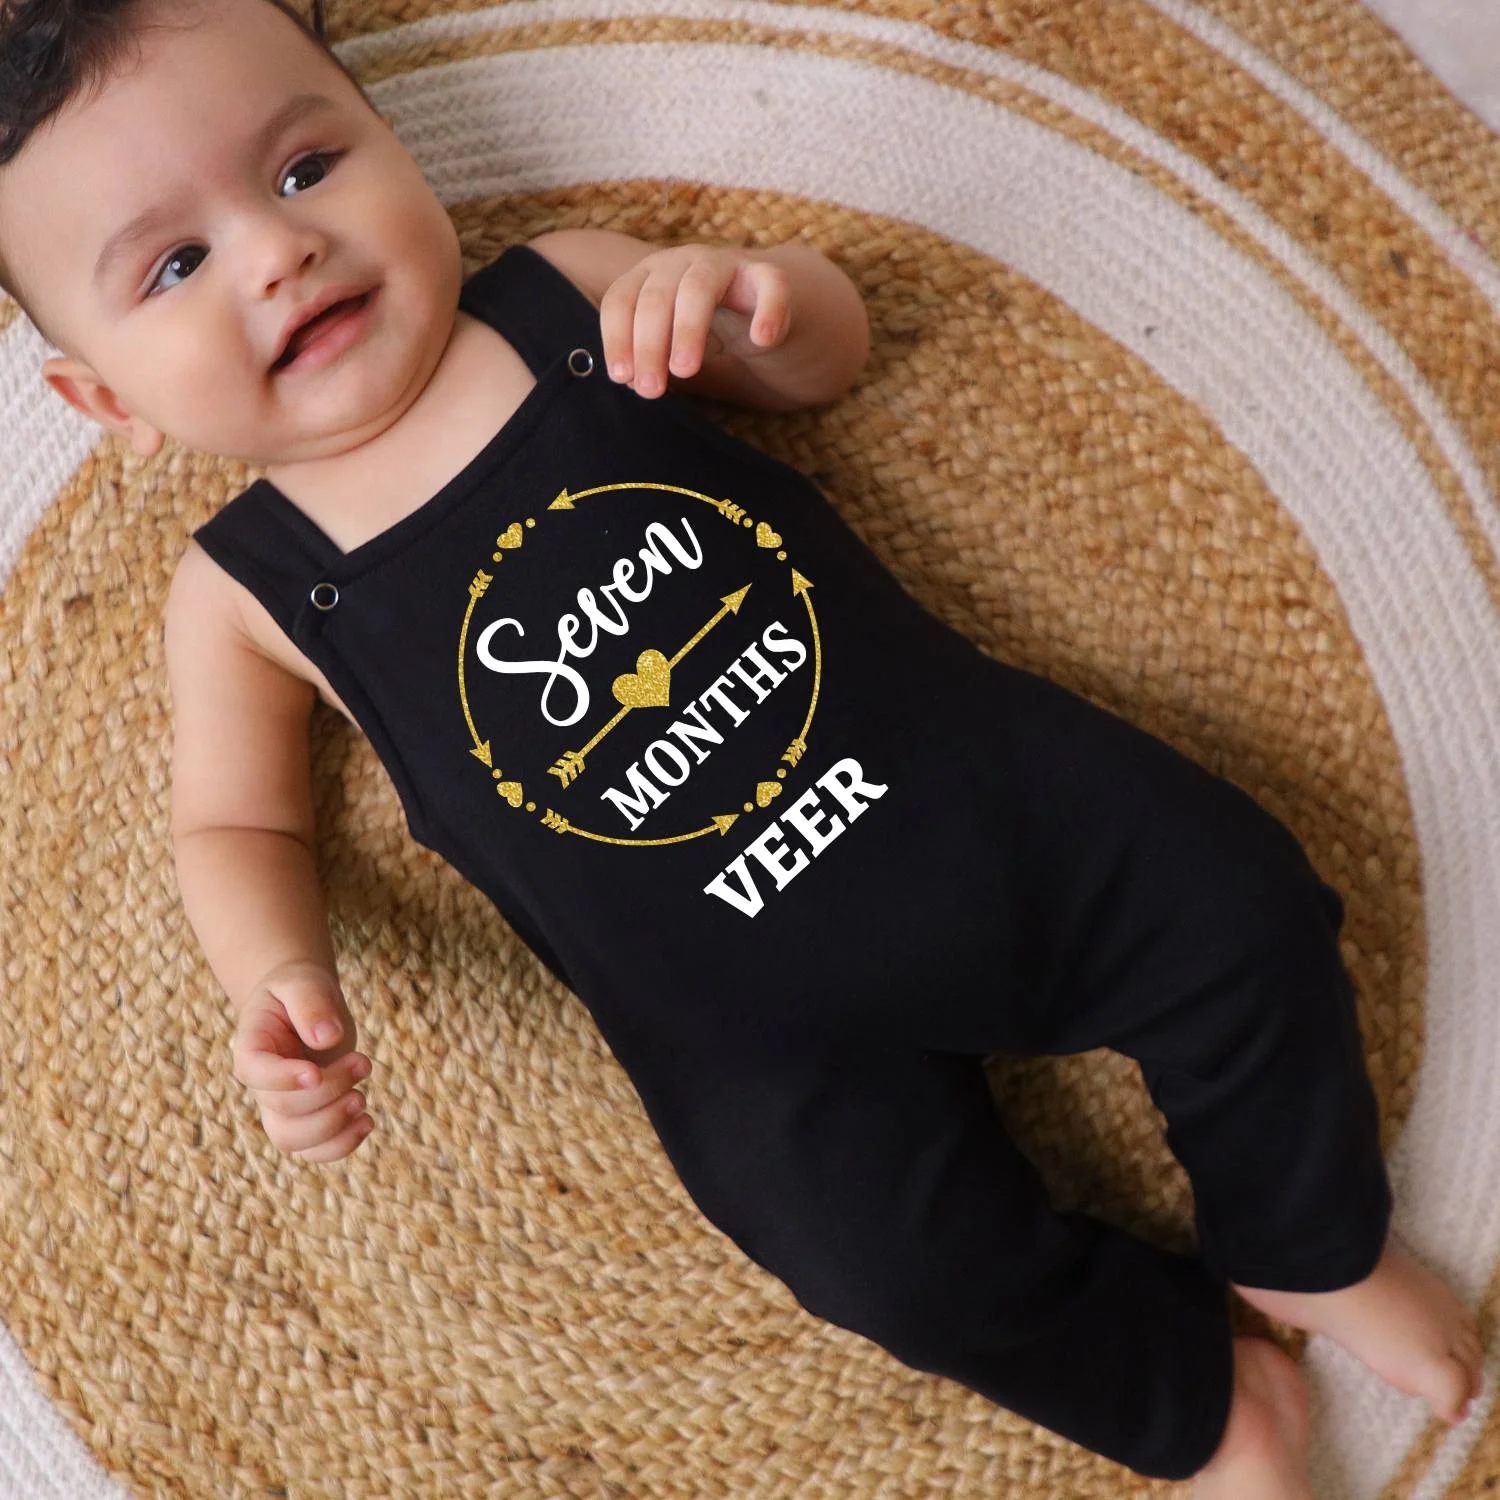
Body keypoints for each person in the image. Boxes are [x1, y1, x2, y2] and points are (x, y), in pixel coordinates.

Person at [0, 0, 1484, 1490]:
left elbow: (820, 359)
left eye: (306, 167)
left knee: (1239, 906)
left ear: (391, 140)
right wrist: (277, 979)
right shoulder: (245, 593)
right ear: (106, 400)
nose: (277, 251)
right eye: (176, 266)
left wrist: (745, 298)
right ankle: (1204, 1403)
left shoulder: (561, 301)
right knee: (888, 1273)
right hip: (754, 1044)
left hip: (986, 807)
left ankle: (1307, 1244)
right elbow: (235, 826)